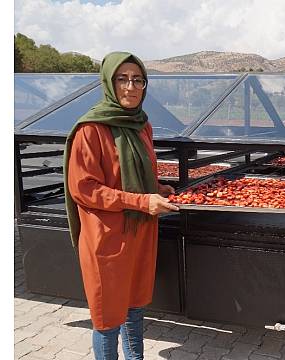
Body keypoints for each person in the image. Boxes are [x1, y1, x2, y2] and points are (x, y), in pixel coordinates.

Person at [63, 51, 179, 360]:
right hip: (108, 238)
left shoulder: (142, 125)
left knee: (135, 307)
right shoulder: (91, 129)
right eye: (122, 79)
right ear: (108, 82)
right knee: (108, 318)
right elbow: (84, 189)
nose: (131, 87)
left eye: (138, 80)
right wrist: (142, 200)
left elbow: (137, 172)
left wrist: (156, 188)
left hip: (139, 231)